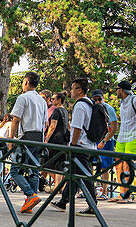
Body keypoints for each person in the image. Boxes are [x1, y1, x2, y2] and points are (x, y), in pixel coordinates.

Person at [52, 78, 98, 214]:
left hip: (80, 145)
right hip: (88, 144)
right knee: (73, 174)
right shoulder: (90, 103)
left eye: (73, 88)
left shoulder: (80, 105)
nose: (71, 91)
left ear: (79, 90)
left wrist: (72, 145)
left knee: (85, 175)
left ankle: (92, 205)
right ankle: (63, 201)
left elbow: (76, 128)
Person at [8, 71, 49, 214]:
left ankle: (30, 194)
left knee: (14, 170)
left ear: (26, 82)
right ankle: (29, 202)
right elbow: (45, 122)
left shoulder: (23, 98)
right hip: (39, 137)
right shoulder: (42, 100)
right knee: (34, 170)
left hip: (25, 136)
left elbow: (16, 120)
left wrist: (11, 139)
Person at [92, 90, 119, 199]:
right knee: (92, 164)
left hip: (106, 140)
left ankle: (105, 192)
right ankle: (91, 190)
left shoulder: (109, 109)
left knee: (105, 167)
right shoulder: (92, 108)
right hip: (95, 139)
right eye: (95, 99)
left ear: (103, 98)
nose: (98, 101)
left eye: (100, 99)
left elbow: (114, 127)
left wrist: (105, 140)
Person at [43, 91, 69, 190]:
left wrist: (46, 139)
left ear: (59, 100)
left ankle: (59, 185)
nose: (52, 100)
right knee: (60, 164)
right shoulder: (65, 111)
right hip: (63, 140)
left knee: (47, 163)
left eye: (53, 99)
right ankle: (59, 186)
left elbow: (52, 126)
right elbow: (68, 126)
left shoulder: (56, 111)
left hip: (55, 140)